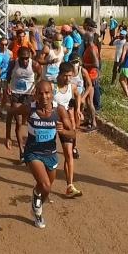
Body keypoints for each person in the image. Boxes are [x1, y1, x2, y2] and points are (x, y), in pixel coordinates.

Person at [13, 80, 75, 228]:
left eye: (47, 93)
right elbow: (11, 112)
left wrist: (64, 131)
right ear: (35, 95)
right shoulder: (29, 109)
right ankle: (38, 209)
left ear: (52, 94)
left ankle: (37, 199)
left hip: (51, 154)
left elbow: (72, 133)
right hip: (33, 153)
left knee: (47, 188)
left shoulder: (59, 110)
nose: (44, 97)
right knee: (46, 185)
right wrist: (11, 136)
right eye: (40, 93)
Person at [53, 65, 82, 196]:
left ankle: (70, 185)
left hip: (65, 123)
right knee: (48, 153)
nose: (68, 78)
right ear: (60, 74)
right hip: (51, 123)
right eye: (66, 75)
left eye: (70, 76)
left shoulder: (72, 87)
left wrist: (77, 109)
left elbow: (78, 95)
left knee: (68, 154)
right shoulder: (52, 88)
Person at [5, 47, 40, 155]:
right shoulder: (13, 63)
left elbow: (39, 75)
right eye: (22, 58)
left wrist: (35, 86)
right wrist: (7, 86)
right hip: (16, 93)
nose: (25, 61)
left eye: (26, 58)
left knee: (28, 121)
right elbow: (7, 76)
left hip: (28, 95)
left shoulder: (34, 64)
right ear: (18, 57)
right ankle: (21, 150)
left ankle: (31, 145)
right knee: (19, 122)